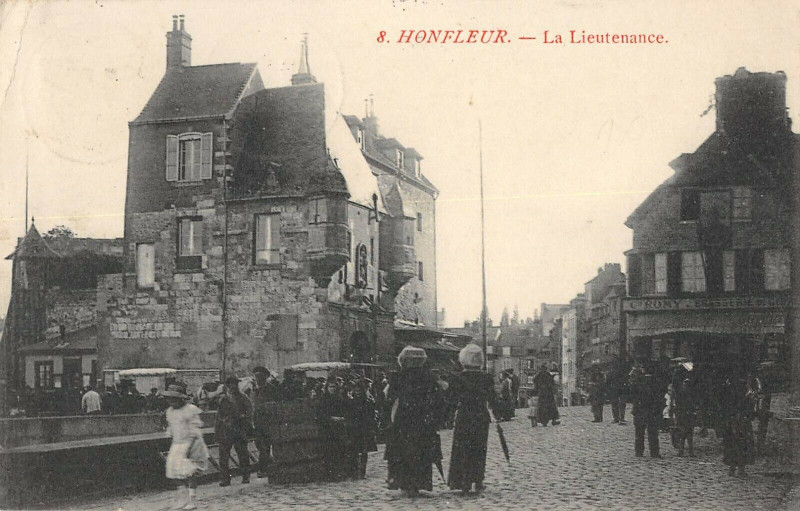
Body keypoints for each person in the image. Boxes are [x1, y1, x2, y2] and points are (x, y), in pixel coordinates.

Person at [385, 346, 441, 497]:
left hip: (403, 419)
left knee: (403, 451)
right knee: (421, 451)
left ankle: (404, 482)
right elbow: (437, 398)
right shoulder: (428, 376)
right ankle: (419, 482)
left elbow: (389, 398)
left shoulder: (397, 376)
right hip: (422, 419)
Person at [447, 344, 500, 494]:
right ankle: (478, 479)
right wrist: (497, 414)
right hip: (481, 416)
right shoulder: (486, 377)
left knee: (462, 448)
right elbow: (492, 398)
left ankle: (463, 480)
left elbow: (451, 400)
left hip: (464, 415)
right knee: (479, 448)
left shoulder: (457, 378)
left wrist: (448, 416)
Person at [162, 384, 208, 511]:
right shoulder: (170, 411)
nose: (171, 401)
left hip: (192, 443)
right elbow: (172, 428)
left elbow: (194, 430)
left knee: (189, 472)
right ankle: (182, 499)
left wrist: (189, 448)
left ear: (181, 399)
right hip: (177, 443)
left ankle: (192, 500)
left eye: (174, 398)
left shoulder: (190, 409)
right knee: (174, 472)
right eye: (169, 398)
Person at [215, 375, 252, 487]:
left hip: (239, 430)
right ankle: (225, 479)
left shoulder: (243, 398)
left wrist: (245, 423)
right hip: (225, 431)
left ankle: (245, 476)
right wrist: (217, 430)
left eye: (235, 384)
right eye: (231, 384)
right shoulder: (222, 399)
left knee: (243, 455)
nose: (233, 386)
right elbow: (218, 416)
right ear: (227, 386)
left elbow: (250, 412)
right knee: (223, 457)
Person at [720, 374, 755, 476]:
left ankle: (734, 469)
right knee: (740, 443)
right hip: (739, 421)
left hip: (735, 420)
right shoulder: (741, 391)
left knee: (734, 444)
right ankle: (739, 469)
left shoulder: (731, 389)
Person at [251, 366, 280, 479]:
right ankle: (268, 464)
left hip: (268, 422)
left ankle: (263, 469)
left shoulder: (271, 389)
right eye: (256, 376)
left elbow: (276, 404)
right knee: (260, 445)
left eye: (260, 376)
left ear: (265, 377)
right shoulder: (253, 389)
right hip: (256, 422)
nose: (258, 379)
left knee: (265, 446)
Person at [348, 379, 378, 479]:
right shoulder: (352, 401)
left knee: (364, 451)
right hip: (355, 428)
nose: (357, 393)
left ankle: (362, 472)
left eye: (359, 391)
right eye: (355, 391)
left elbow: (371, 415)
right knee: (355, 450)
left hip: (364, 429)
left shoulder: (368, 401)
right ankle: (356, 472)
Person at [630, 366, 662, 459]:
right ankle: (654, 452)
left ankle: (639, 452)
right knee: (653, 433)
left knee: (639, 432)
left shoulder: (638, 382)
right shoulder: (656, 382)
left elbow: (633, 395)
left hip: (640, 410)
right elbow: (659, 397)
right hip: (651, 410)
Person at [673, 377, 696, 457]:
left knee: (687, 433)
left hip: (687, 415)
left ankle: (686, 451)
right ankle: (685, 451)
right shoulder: (682, 394)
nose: (686, 385)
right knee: (685, 433)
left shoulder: (689, 393)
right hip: (684, 415)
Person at [606, 357, 628, 424]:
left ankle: (618, 418)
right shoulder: (619, 371)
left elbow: (607, 382)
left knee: (618, 404)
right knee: (619, 404)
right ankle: (619, 418)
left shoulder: (611, 372)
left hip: (617, 389)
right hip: (617, 389)